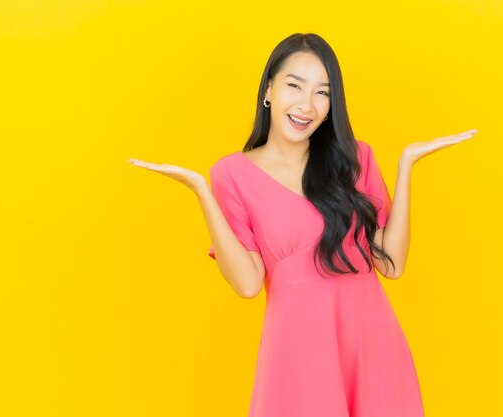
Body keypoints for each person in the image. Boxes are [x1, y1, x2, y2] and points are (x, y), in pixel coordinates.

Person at [129, 32, 477, 417]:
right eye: (294, 86)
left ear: (331, 105)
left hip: (371, 345)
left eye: (322, 93)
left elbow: (391, 265)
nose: (306, 105)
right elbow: (247, 284)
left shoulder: (355, 158)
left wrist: (406, 166)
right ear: (268, 90)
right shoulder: (231, 174)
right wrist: (201, 192)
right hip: (297, 355)